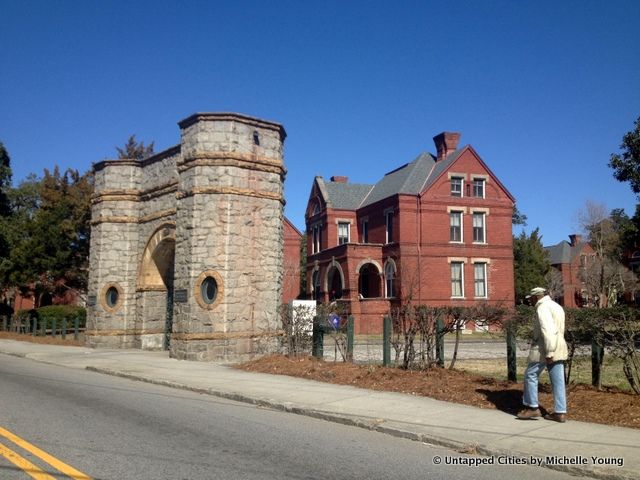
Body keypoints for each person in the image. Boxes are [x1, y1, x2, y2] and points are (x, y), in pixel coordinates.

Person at [517, 287, 569, 423]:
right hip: (559, 345)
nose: (530, 302)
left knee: (530, 375)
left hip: (544, 347)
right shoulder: (557, 306)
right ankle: (560, 412)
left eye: (531, 299)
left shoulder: (542, 308)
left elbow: (548, 330)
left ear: (536, 297)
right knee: (558, 380)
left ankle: (532, 407)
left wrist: (549, 351)